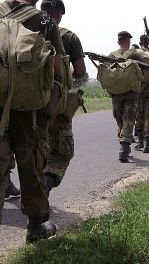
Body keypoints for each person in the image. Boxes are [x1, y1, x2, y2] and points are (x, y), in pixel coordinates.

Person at [0, 0, 64, 243]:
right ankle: (36, 228)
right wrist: (53, 106)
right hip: (30, 112)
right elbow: (57, 67)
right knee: (32, 166)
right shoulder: (44, 21)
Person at [41, 0, 86, 191]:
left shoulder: (20, 29)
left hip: (17, 101)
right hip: (54, 103)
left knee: (18, 146)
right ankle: (46, 183)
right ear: (60, 13)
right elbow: (80, 71)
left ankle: (8, 182)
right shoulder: (69, 37)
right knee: (61, 152)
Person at [108, 31, 140, 162]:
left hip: (116, 93)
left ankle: (123, 142)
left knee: (120, 118)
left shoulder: (111, 55)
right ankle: (124, 146)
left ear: (118, 42)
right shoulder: (134, 54)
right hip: (131, 92)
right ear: (129, 42)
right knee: (129, 118)